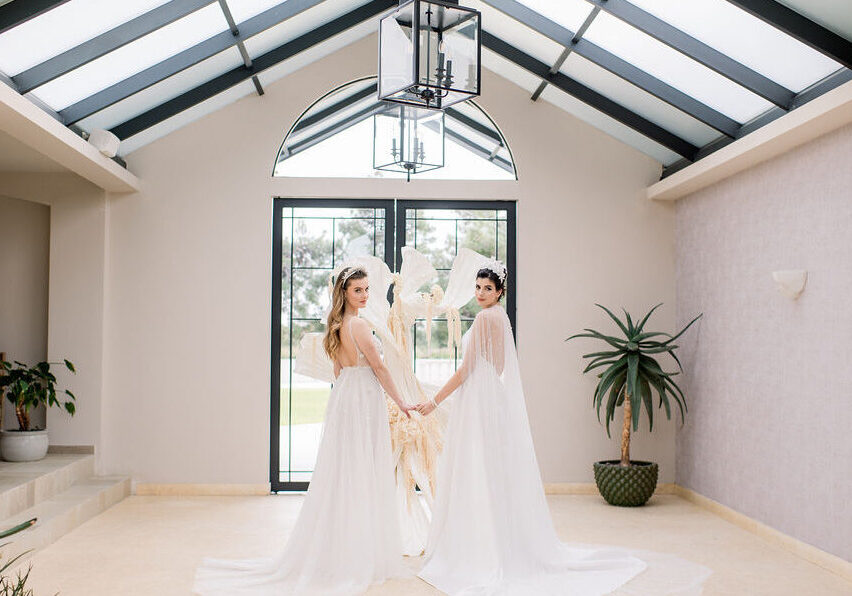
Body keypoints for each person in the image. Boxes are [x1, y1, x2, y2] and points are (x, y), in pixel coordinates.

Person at [414, 262, 709, 595]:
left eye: (488, 288)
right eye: (478, 287)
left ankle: (478, 550)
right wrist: (480, 382)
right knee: (492, 469)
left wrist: (434, 401)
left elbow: (467, 369)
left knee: (477, 467)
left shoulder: (484, 319)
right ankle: (499, 545)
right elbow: (498, 366)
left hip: (478, 399)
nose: (481, 293)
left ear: (500, 292)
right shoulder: (500, 317)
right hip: (490, 396)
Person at [194, 266, 413, 595]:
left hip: (346, 396)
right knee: (362, 468)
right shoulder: (360, 326)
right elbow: (379, 368)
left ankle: (345, 549)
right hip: (362, 396)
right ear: (344, 293)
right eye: (358, 290)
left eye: (367, 289)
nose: (365, 295)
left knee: (345, 470)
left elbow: (338, 371)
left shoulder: (337, 326)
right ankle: (359, 553)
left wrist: (353, 392)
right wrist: (402, 402)